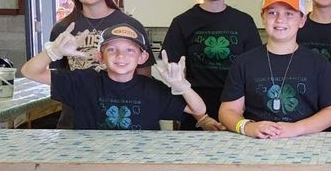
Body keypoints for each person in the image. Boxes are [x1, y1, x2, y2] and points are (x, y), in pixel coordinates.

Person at [20, 23, 205, 130]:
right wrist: (53, 52)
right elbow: (29, 71)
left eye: (130, 50)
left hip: (139, 165)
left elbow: (199, 110)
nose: (121, 56)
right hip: (91, 162)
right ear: (100, 56)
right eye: (111, 49)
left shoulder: (152, 89)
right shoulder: (84, 82)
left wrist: (182, 86)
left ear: (143, 57)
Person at [218, 0, 331, 139]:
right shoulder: (244, 63)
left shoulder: (318, 63)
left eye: (289, 13)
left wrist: (297, 128)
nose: (280, 20)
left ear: (302, 20)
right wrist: (248, 127)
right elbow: (227, 111)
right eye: (272, 13)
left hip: (306, 144)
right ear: (263, 17)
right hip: (257, 145)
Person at [162, 0, 262, 131]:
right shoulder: (182, 23)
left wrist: (237, 114)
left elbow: (254, 73)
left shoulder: (244, 22)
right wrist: (201, 118)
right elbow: (175, 79)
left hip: (238, 108)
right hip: (194, 109)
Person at [49, 0, 154, 73]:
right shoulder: (63, 28)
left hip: (121, 91)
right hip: (78, 90)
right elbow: (56, 75)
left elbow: (144, 73)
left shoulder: (131, 25)